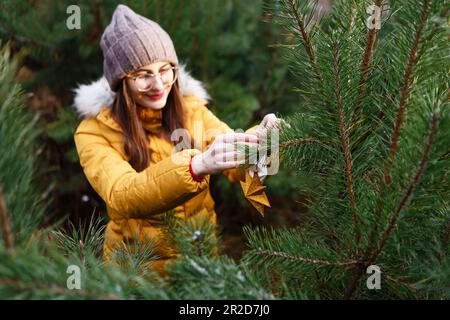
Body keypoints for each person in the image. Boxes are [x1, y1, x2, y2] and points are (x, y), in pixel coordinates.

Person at [73, 4, 281, 275]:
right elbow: (122, 194)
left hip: (201, 262)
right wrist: (197, 166)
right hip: (138, 274)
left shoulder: (191, 109)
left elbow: (231, 158)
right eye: (143, 76)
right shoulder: (94, 132)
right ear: (121, 82)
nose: (159, 85)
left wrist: (259, 142)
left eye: (165, 70)